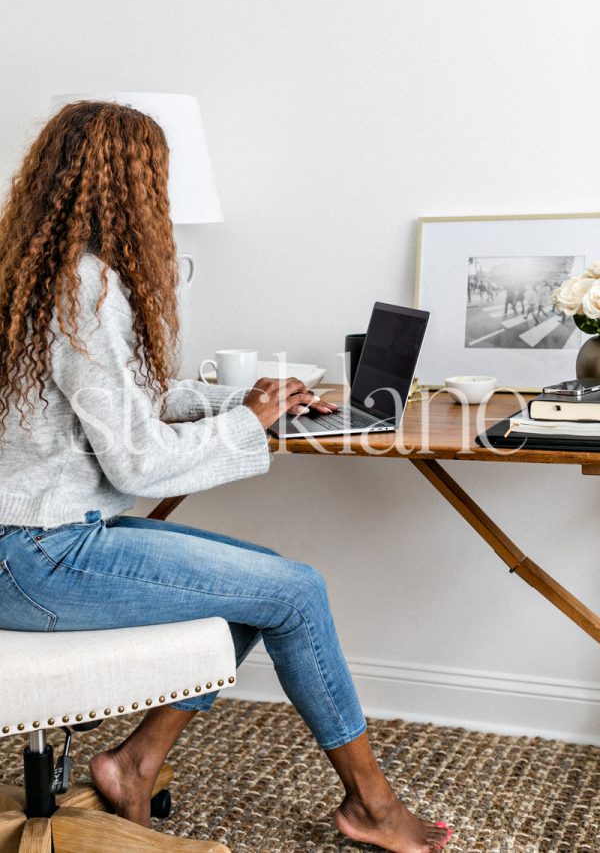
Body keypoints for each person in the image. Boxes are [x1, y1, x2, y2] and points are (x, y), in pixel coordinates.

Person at [0, 101, 451, 853]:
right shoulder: (87, 289)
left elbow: (126, 399)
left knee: (264, 581)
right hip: (40, 556)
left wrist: (245, 402)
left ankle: (134, 766)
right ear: (127, 186)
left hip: (29, 544)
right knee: (295, 590)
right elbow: (138, 459)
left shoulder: (32, 275)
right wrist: (251, 425)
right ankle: (371, 806)